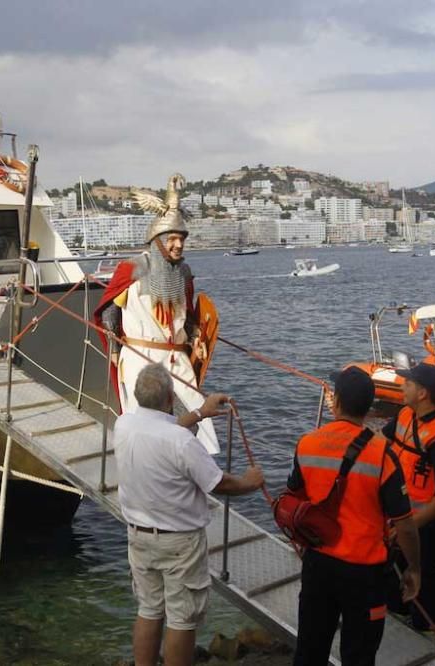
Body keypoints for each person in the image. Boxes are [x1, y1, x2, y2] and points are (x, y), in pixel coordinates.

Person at [115, 363, 264, 666]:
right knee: (182, 618)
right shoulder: (182, 442)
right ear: (171, 398)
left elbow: (162, 430)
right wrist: (251, 482)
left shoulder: (123, 425)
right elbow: (218, 482)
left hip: (138, 536)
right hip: (179, 542)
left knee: (149, 609)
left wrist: (200, 413)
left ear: (136, 394)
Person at [288, 367, 421, 666]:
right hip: (365, 573)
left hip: (318, 565)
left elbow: (294, 498)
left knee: (310, 649)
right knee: (359, 654)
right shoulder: (383, 454)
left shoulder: (306, 444)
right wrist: (414, 569)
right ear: (369, 407)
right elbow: (405, 524)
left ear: (335, 403)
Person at [94, 173, 219, 453]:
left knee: (201, 419)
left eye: (182, 239)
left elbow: (186, 316)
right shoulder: (132, 269)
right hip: (142, 358)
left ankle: (199, 469)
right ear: (159, 239)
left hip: (177, 358)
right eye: (173, 238)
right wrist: (114, 347)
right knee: (145, 428)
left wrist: (197, 336)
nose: (179, 245)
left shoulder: (183, 273)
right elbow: (110, 310)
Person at [382, 363, 435, 632]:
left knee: (429, 587)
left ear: (422, 393)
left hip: (433, 526)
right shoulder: (406, 415)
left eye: (407, 384)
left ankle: (431, 638)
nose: (401, 386)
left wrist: (411, 524)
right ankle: (399, 629)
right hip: (403, 521)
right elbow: (381, 446)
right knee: (394, 580)